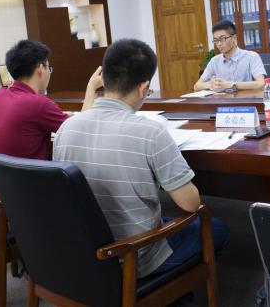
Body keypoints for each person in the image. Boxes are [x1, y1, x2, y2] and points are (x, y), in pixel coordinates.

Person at [53, 38, 229, 278]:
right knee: (216, 229)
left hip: (83, 253)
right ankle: (169, 291)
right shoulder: (150, 131)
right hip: (133, 256)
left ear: (103, 78)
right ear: (143, 87)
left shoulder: (66, 128)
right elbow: (190, 204)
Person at [0, 39, 102, 200]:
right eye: (49, 68)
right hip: (23, 199)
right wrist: (92, 87)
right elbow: (79, 129)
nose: (49, 73)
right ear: (40, 69)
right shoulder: (37, 104)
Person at [194, 20, 266, 92]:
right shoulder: (214, 61)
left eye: (223, 39)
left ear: (234, 38)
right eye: (216, 40)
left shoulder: (251, 56)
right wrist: (210, 85)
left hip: (246, 98)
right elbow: (196, 86)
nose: (219, 44)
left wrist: (231, 84)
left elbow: (261, 83)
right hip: (222, 99)